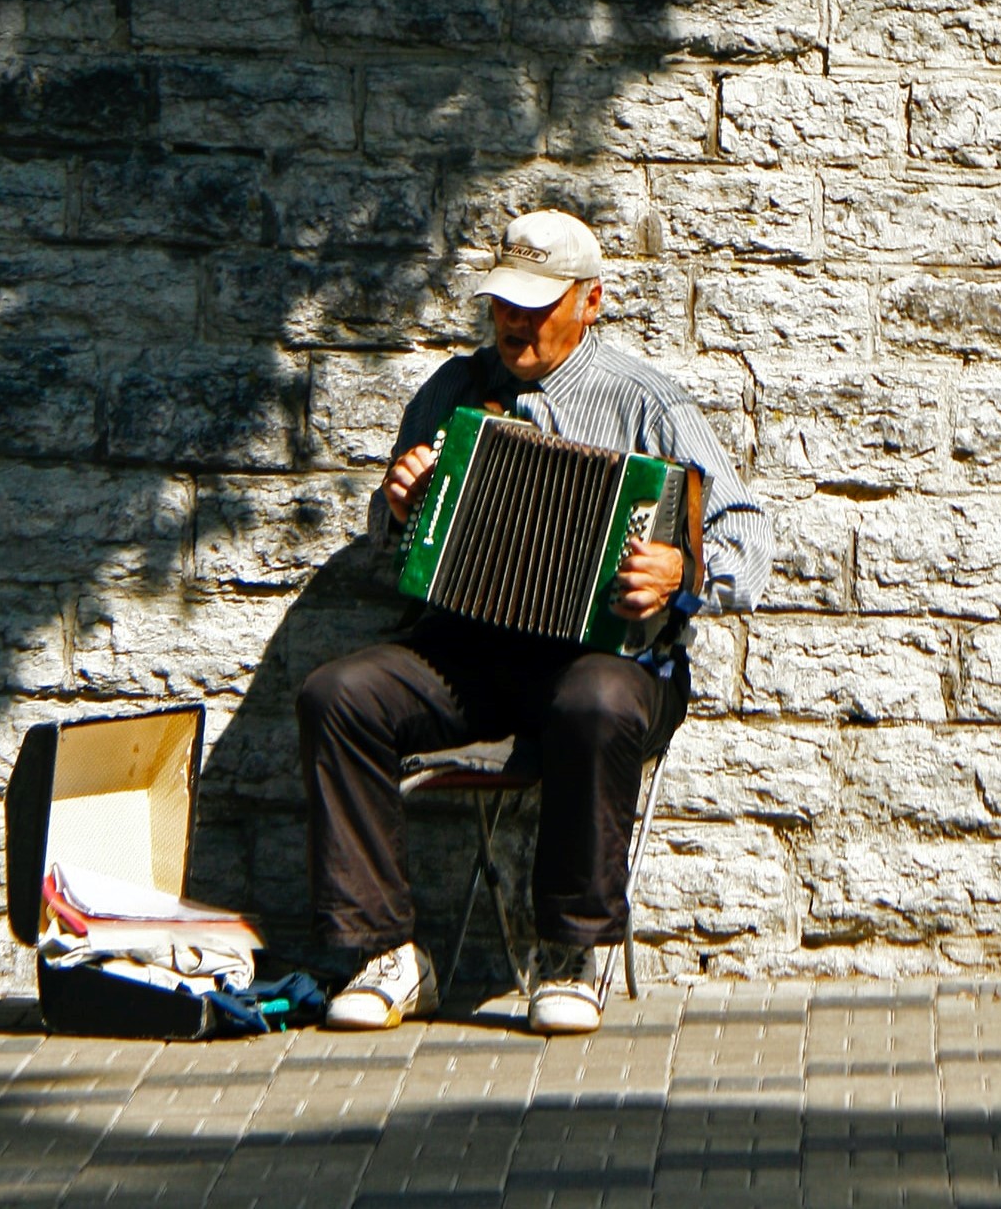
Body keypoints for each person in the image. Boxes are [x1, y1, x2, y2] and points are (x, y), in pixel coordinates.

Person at [298, 209, 771, 1036]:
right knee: (337, 695)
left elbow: (748, 535)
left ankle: (569, 952)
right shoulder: (453, 392)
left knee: (594, 702)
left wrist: (683, 571)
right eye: (504, 305)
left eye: (537, 305)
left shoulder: (646, 402)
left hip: (606, 662)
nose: (515, 322)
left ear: (591, 301)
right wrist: (398, 504)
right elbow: (400, 545)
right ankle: (386, 954)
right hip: (468, 655)